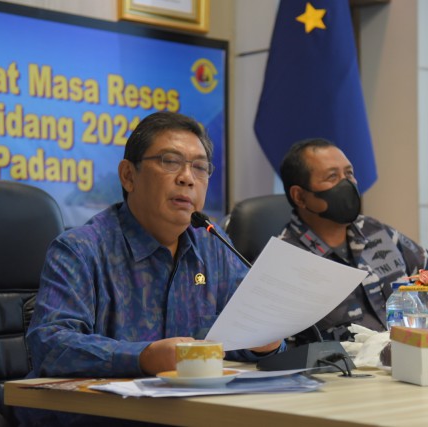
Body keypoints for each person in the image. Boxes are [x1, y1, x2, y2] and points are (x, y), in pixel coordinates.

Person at [18, 112, 283, 426]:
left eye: (199, 167)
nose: (187, 178)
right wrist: (144, 357)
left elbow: (241, 337)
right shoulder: (81, 249)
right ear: (128, 176)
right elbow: (51, 345)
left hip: (187, 415)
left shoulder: (214, 246)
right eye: (170, 162)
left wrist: (264, 345)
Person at [278, 138, 428, 343]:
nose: (347, 184)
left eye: (349, 174)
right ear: (300, 196)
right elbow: (273, 349)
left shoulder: (376, 232)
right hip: (342, 364)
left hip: (407, 356)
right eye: (332, 177)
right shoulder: (285, 261)